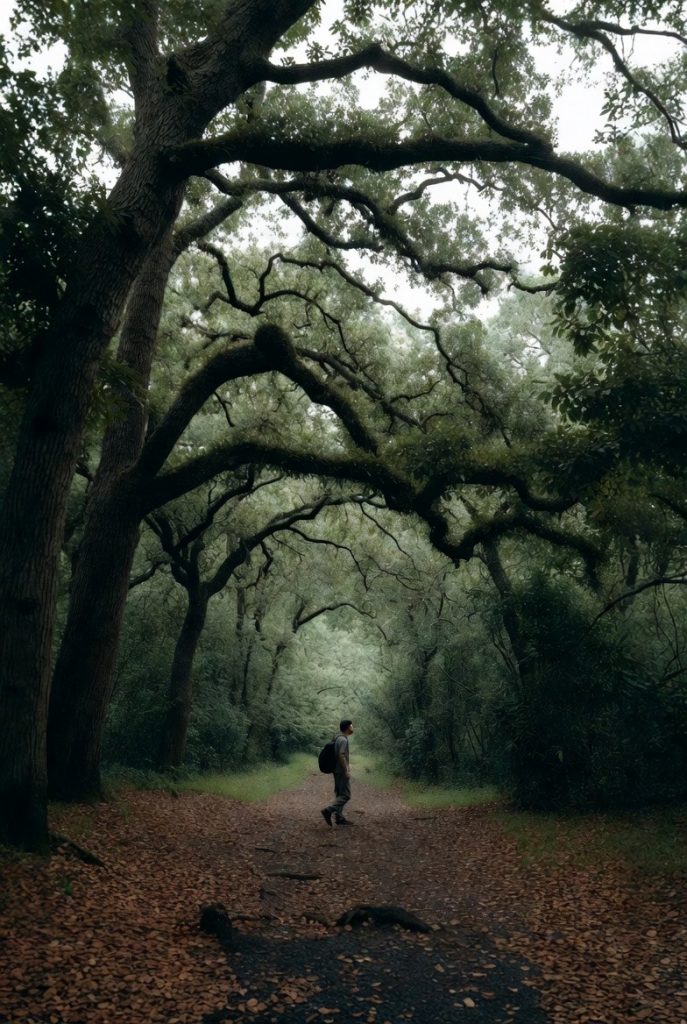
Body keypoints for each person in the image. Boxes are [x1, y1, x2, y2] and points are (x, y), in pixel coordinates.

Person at [321, 719, 354, 826]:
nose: (352, 727)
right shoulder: (343, 740)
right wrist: (346, 770)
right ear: (348, 727)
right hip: (340, 771)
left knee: (340, 793)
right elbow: (341, 755)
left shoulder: (337, 738)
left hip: (336, 770)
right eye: (351, 725)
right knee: (346, 795)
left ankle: (339, 818)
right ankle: (328, 810)